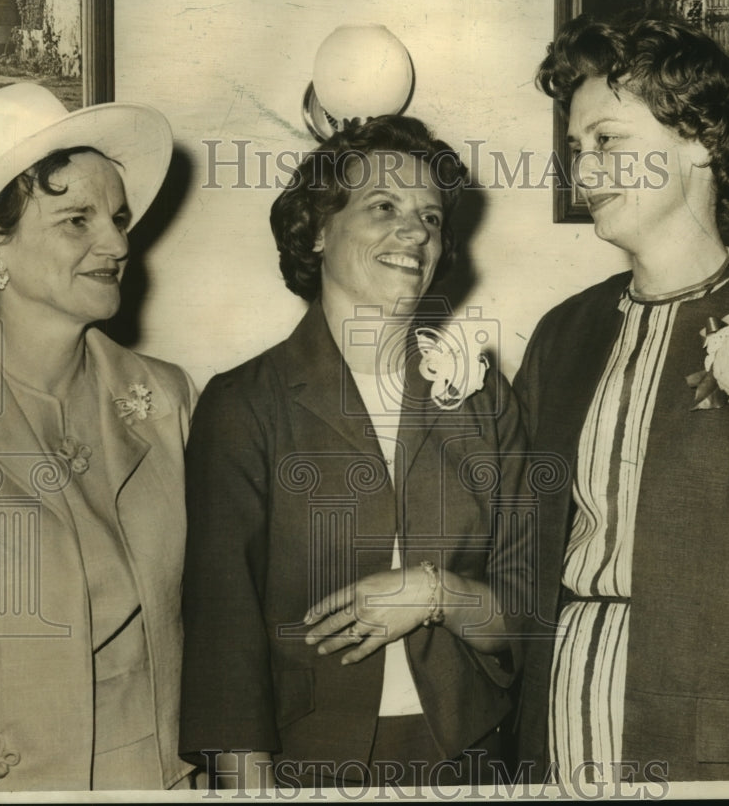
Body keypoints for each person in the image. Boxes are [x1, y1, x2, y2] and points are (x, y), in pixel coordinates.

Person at [512, 17, 729, 785]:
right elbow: (514, 549)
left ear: (701, 139)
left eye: (609, 141)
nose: (583, 171)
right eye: (576, 148)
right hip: (556, 711)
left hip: (721, 733)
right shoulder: (563, 333)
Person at [178, 115, 531, 789]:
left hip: (470, 754)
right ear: (317, 230)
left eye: (431, 217)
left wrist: (436, 593)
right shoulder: (244, 404)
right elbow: (224, 636)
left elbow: (526, 607)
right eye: (384, 208)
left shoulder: (484, 400)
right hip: (304, 763)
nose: (416, 232)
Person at [0, 83, 198, 791]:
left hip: (158, 774)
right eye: (77, 220)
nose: (118, 243)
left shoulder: (166, 397)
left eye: (117, 217)